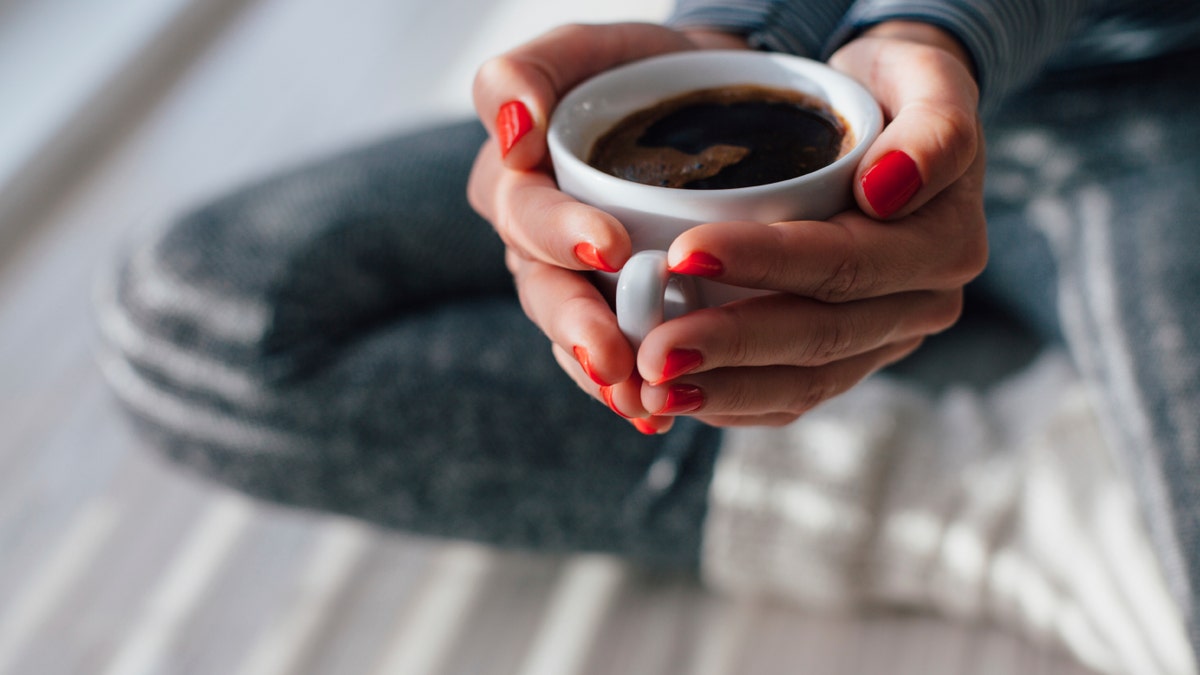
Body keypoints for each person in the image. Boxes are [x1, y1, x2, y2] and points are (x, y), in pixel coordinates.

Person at [96, 1, 1200, 672]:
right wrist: (731, 31)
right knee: (200, 319)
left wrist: (945, 28)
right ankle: (991, 501)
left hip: (1165, 103)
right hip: (804, 57)